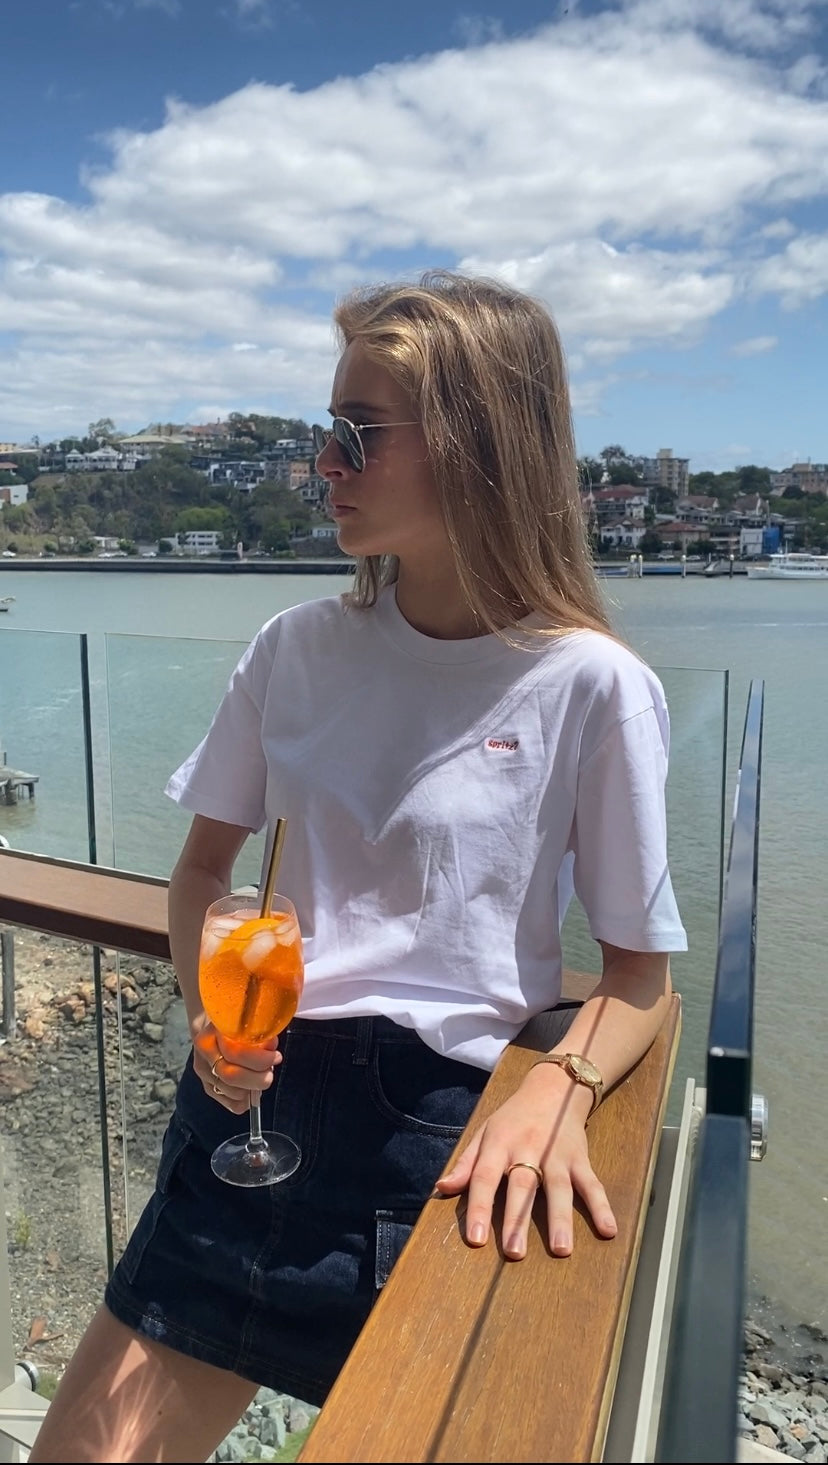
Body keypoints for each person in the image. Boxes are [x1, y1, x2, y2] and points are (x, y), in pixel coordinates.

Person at [30, 270, 687, 1463]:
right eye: (324, 431)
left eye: (357, 433)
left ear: (479, 446)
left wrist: (561, 1086)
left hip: (438, 1154)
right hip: (248, 1110)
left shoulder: (594, 688)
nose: (321, 464)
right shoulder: (295, 648)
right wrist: (210, 1017)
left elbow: (641, 975)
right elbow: (200, 875)